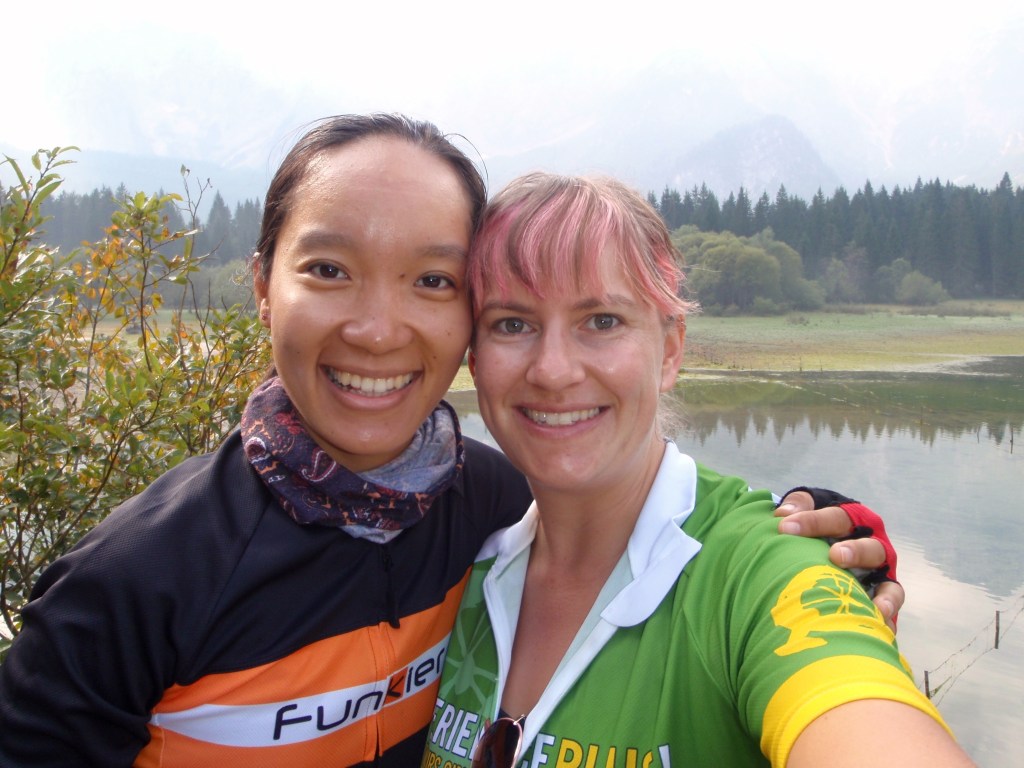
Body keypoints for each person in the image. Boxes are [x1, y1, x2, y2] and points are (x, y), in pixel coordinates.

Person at [0, 115, 898, 767]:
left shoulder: (486, 506)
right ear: (262, 288)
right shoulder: (131, 581)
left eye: (431, 279)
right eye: (328, 269)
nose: (379, 328)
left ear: (671, 350)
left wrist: (821, 531)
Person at [421, 172, 973, 768]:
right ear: (474, 360)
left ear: (671, 351)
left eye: (602, 320)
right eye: (512, 323)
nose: (553, 370)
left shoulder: (762, 567)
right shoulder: (459, 565)